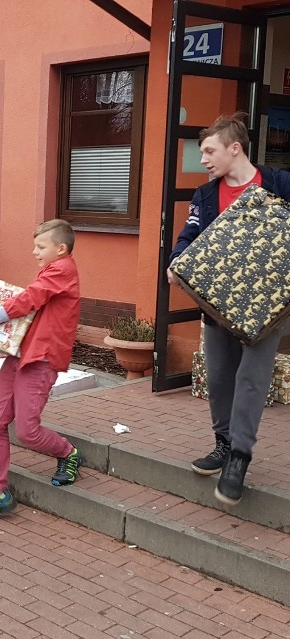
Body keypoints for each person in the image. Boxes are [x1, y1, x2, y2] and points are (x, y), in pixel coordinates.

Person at [167, 112, 289, 506]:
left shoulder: (281, 184)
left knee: (252, 380)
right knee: (219, 378)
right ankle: (223, 443)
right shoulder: (205, 195)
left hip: (266, 310)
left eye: (209, 151)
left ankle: (239, 457)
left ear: (234, 148)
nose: (203, 160)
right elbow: (189, 237)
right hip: (218, 306)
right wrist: (177, 260)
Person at [0, 219, 82, 523]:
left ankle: (68, 453)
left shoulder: (63, 270)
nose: (34, 251)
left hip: (41, 360)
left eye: (41, 246)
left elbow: (27, 300)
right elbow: (25, 301)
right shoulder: (54, 269)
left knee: (27, 431)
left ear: (60, 249)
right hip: (21, 355)